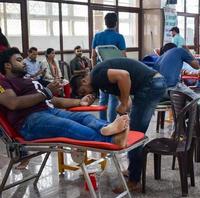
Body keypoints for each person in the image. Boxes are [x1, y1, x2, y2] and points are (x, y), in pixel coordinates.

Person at [0, 48, 130, 156]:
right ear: (7, 65)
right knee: (67, 125)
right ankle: (112, 139)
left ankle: (110, 128)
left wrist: (79, 102)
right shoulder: (3, 82)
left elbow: (54, 100)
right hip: (27, 122)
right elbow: (13, 103)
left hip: (48, 111)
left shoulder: (28, 81)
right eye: (18, 60)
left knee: (84, 116)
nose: (23, 62)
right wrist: (45, 92)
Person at [70, 57, 167, 191]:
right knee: (133, 131)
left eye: (83, 91)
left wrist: (124, 103)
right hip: (152, 83)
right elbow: (122, 90)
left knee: (135, 134)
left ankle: (134, 181)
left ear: (84, 81)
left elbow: (124, 75)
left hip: (151, 84)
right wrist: (124, 104)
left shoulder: (97, 76)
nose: (87, 94)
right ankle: (132, 170)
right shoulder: (101, 83)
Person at [92, 12, 126, 123]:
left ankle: (102, 123)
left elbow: (93, 56)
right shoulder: (119, 37)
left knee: (102, 98)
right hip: (115, 71)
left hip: (101, 70)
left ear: (105, 23)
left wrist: (94, 71)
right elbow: (123, 57)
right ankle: (111, 124)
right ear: (116, 23)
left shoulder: (97, 36)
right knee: (113, 99)